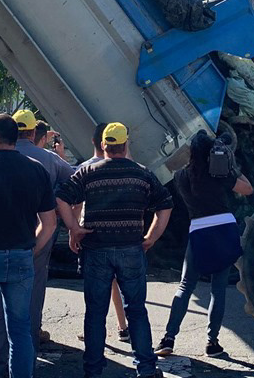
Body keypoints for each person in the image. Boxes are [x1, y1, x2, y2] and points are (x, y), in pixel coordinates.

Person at [56, 122, 173, 378]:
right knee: (137, 310)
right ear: (126, 144)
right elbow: (165, 204)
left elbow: (62, 197)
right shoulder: (142, 174)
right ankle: (146, 368)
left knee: (95, 312)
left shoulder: (88, 172)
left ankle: (93, 370)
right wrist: (151, 237)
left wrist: (74, 228)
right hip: (131, 249)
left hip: (96, 250)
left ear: (103, 146)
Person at [0, 107, 74, 372]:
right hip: (23, 253)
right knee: (21, 328)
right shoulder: (41, 166)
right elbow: (50, 221)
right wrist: (32, 249)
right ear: (34, 133)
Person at [155, 131, 254, 357]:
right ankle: (212, 343)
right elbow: (247, 189)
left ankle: (168, 338)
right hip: (224, 229)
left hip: (199, 230)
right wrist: (231, 165)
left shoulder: (181, 176)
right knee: (218, 290)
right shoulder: (220, 174)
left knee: (185, 286)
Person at [76, 123, 128, 344]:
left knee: (96, 286)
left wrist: (74, 229)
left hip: (92, 231)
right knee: (118, 281)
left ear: (94, 142)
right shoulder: (128, 167)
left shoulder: (86, 168)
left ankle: (94, 331)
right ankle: (123, 325)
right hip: (121, 232)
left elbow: (75, 201)